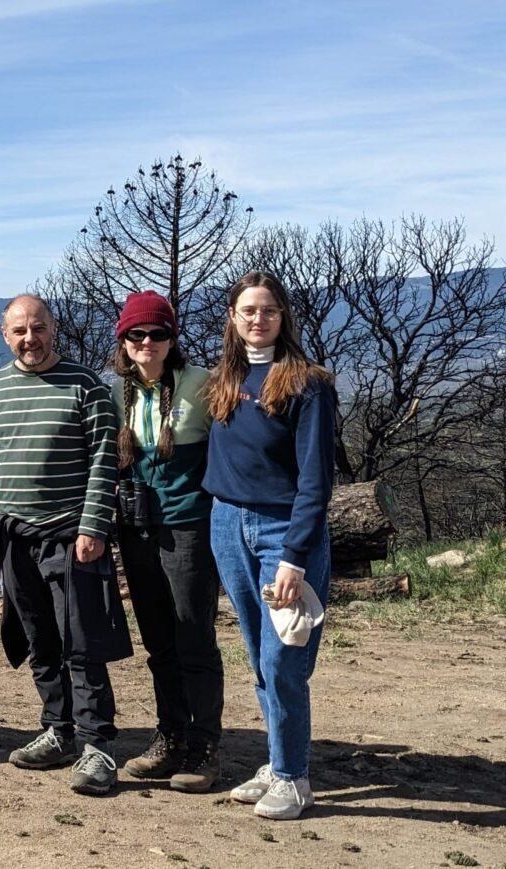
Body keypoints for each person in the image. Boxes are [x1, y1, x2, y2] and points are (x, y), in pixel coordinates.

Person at [0, 294, 131, 796]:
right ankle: (58, 732)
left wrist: (94, 527)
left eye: (37, 328)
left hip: (71, 535)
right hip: (15, 535)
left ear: (52, 329)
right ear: (5, 336)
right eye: (19, 331)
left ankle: (97, 746)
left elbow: (105, 462)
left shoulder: (86, 386)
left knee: (82, 643)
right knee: (38, 639)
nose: (29, 339)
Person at [202, 271, 336, 820]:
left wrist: (296, 557)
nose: (259, 320)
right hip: (226, 525)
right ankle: (280, 760)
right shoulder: (222, 381)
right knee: (259, 657)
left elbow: (316, 479)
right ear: (233, 318)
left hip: (283, 533)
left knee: (286, 659)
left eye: (269, 311)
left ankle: (293, 778)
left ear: (284, 317)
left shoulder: (308, 383)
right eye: (248, 311)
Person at [109, 291, 225, 792]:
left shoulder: (202, 384)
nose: (148, 342)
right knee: (158, 639)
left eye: (158, 333)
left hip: (189, 527)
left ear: (172, 338)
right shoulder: (118, 392)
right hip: (138, 529)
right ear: (124, 340)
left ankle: (204, 743)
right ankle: (170, 733)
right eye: (137, 334)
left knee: (193, 634)